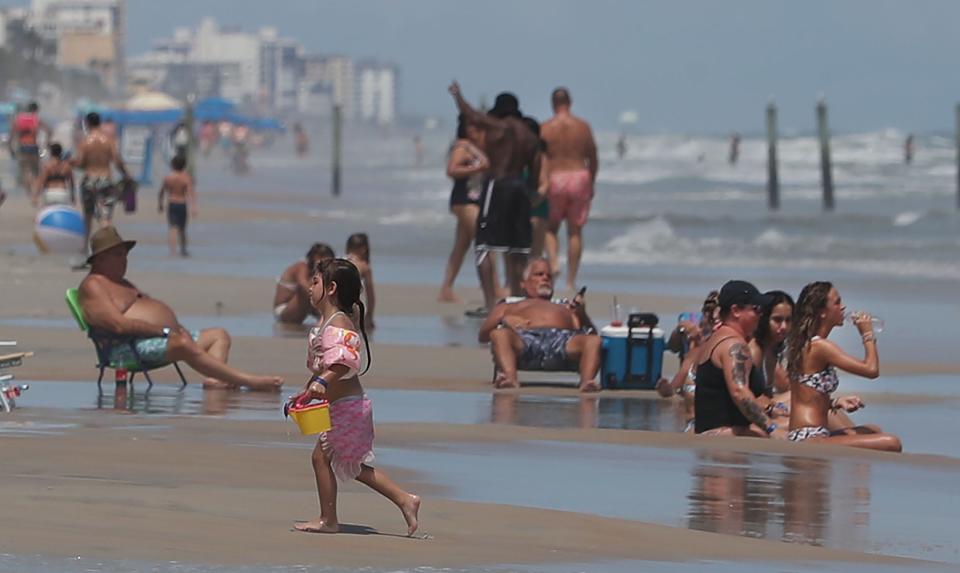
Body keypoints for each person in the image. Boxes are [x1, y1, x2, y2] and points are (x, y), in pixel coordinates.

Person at [288, 258, 421, 535]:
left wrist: (322, 382)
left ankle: (330, 520)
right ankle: (404, 500)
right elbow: (326, 369)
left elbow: (344, 362)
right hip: (341, 406)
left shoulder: (338, 324)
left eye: (315, 282)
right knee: (348, 464)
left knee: (326, 460)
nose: (309, 287)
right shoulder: (328, 323)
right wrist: (306, 393)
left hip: (348, 408)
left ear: (331, 288)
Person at [78, 226, 283, 391]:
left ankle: (216, 380)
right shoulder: (93, 286)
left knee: (218, 335)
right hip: (125, 349)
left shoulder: (122, 283)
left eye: (125, 254)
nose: (125, 259)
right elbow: (119, 325)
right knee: (183, 343)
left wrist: (176, 327)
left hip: (159, 339)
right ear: (101, 258)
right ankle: (249, 380)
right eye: (119, 255)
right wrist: (165, 331)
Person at [448, 82, 540, 312]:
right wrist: (530, 196)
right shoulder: (530, 136)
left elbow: (471, 114)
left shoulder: (499, 127)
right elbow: (535, 174)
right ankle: (517, 301)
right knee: (518, 250)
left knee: (483, 246)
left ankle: (491, 304)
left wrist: (458, 96)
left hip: (498, 185)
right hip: (520, 189)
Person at [784, 281, 901, 451]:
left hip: (811, 433)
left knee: (873, 429)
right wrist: (867, 334)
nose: (843, 307)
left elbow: (807, 395)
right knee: (892, 442)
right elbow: (871, 370)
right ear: (822, 312)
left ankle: (856, 471)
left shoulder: (808, 344)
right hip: (808, 437)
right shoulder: (820, 347)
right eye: (837, 302)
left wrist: (835, 402)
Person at [478, 258, 601, 392]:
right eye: (539, 274)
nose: (545, 278)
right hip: (525, 340)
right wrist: (506, 320)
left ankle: (587, 383)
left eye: (549, 276)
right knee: (499, 335)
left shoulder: (566, 307)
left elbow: (591, 334)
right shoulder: (508, 306)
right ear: (524, 283)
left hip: (562, 341)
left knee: (594, 341)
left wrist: (582, 314)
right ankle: (510, 379)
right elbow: (483, 335)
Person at [693, 280, 787, 438]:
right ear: (736, 310)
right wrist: (771, 429)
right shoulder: (734, 346)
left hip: (712, 434)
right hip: (724, 438)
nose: (761, 314)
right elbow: (739, 392)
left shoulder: (716, 338)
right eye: (756, 309)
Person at [540, 88, 598, 293]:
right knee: (575, 231)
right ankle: (571, 281)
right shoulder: (582, 127)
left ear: (552, 103)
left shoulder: (545, 128)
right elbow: (592, 156)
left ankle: (554, 263)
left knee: (550, 227)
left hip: (555, 177)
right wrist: (592, 181)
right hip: (579, 176)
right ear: (570, 102)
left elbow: (540, 158)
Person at [438, 115, 489, 302]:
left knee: (461, 246)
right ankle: (491, 289)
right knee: (484, 243)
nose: (480, 131)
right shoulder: (462, 146)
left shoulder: (474, 147)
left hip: (472, 200)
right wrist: (476, 169)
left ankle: (446, 289)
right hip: (464, 199)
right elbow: (451, 170)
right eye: (476, 128)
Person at [72, 112, 130, 242]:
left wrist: (74, 163)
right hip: (105, 179)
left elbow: (80, 163)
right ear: (100, 123)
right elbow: (117, 161)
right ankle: (107, 246)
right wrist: (126, 175)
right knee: (105, 218)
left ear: (87, 123)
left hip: (89, 180)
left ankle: (85, 246)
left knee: (88, 216)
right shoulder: (108, 140)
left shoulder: (85, 142)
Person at [274, 243, 336, 325]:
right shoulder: (301, 266)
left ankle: (328, 316)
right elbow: (303, 285)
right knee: (311, 286)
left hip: (303, 306)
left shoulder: (312, 269)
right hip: (284, 310)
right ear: (317, 256)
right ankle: (326, 315)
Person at [8, 102, 51, 194]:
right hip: (33, 147)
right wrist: (47, 142)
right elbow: (49, 130)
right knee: (36, 171)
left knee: (24, 171)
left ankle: (29, 191)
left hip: (22, 148)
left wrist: (11, 148)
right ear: (36, 110)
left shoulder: (18, 119)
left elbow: (11, 135)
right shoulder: (36, 119)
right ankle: (35, 193)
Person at [157, 155, 196, 257]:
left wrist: (160, 204)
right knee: (182, 228)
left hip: (172, 203)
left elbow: (161, 192)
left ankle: (173, 251)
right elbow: (190, 193)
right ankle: (183, 249)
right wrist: (193, 206)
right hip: (182, 203)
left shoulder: (168, 178)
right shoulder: (186, 178)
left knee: (173, 228)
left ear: (173, 165)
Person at [345, 233, 376, 330]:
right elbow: (370, 294)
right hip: (352, 305)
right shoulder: (363, 266)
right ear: (364, 248)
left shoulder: (339, 261)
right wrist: (369, 316)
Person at [32, 142, 75, 207]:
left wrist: (36, 196)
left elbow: (41, 182)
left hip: (50, 193)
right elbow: (71, 183)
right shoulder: (66, 166)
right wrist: (73, 197)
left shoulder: (47, 166)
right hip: (62, 193)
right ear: (61, 152)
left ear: (51, 152)